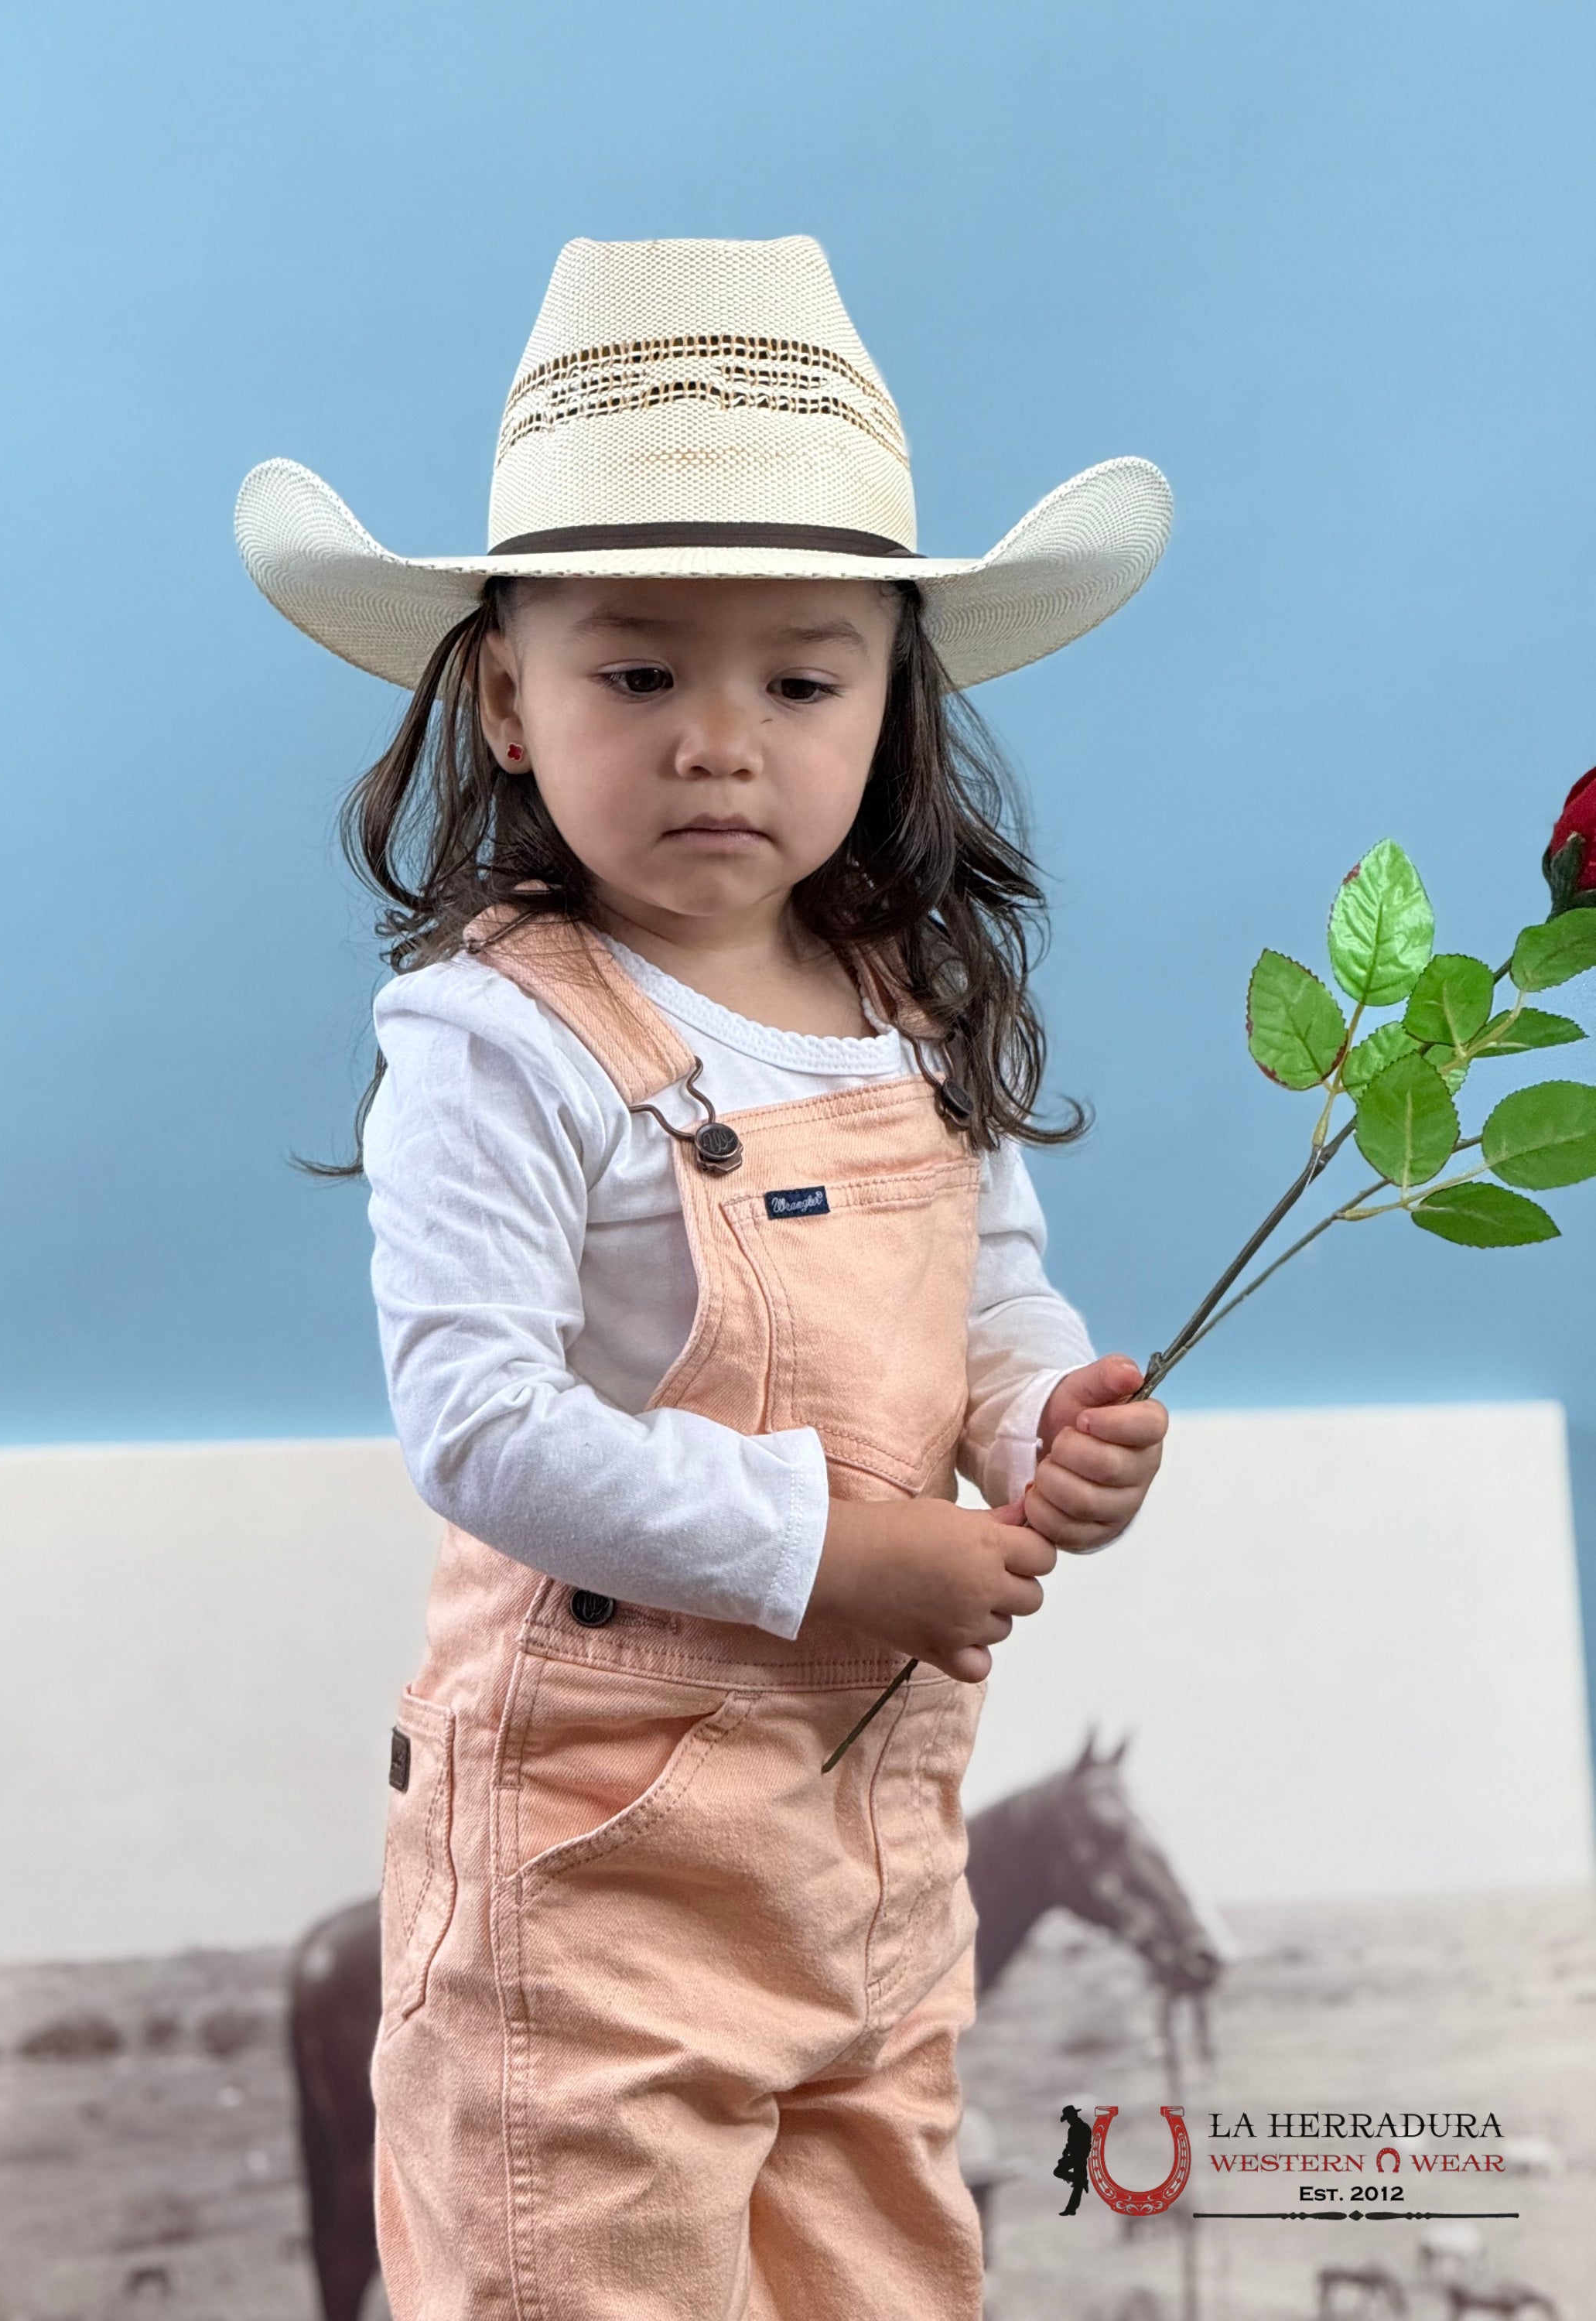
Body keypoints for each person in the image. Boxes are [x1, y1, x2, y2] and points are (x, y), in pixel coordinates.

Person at [236, 235, 1173, 2321]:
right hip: (600, 1870)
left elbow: (987, 1295)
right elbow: (477, 1426)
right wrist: (849, 1549)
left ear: (893, 695)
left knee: (887, 2275)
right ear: (502, 689)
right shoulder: (498, 1034)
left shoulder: (908, 1005)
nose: (718, 742)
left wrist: (1041, 1426)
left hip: (868, 1857)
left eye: (800, 678)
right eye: (639, 673)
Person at [1056, 2103, 1095, 2215]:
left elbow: (1086, 2146)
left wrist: (1075, 2156)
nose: (1068, 2121)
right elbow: (1070, 2145)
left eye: (1068, 2119)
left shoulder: (1082, 2128)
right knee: (1077, 2184)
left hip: (1079, 2158)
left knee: (1075, 2185)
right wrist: (1065, 2155)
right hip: (1076, 2157)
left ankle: (1071, 2209)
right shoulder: (1075, 2129)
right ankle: (1081, 2181)